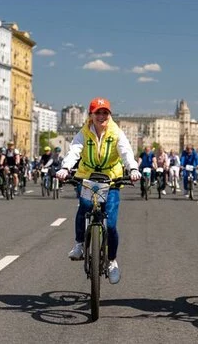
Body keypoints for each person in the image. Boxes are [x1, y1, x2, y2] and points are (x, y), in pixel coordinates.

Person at [55, 97, 141, 284]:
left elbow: (126, 151)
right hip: (88, 178)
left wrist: (133, 169)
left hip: (111, 180)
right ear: (91, 115)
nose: (101, 116)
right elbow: (74, 151)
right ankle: (79, 244)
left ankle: (112, 262)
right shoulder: (83, 133)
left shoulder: (116, 132)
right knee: (85, 206)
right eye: (98, 113)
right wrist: (65, 168)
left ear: (109, 115)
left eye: (105, 113)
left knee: (110, 224)